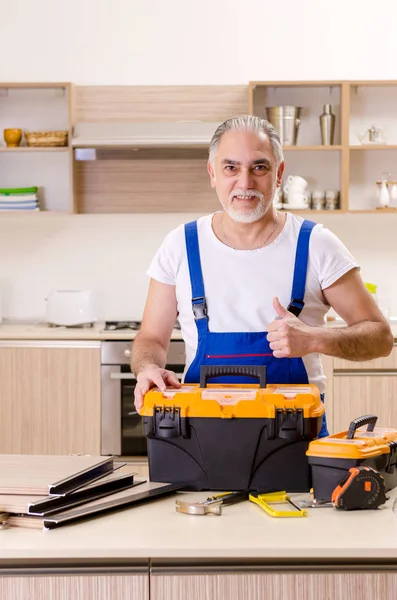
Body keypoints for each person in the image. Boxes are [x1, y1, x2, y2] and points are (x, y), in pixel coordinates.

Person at [131, 115, 393, 436]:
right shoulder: (181, 245)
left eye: (259, 167)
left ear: (279, 173)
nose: (245, 183)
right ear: (213, 173)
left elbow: (380, 338)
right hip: (202, 429)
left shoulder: (315, 244)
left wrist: (315, 338)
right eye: (231, 168)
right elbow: (151, 338)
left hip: (294, 432)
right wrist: (147, 368)